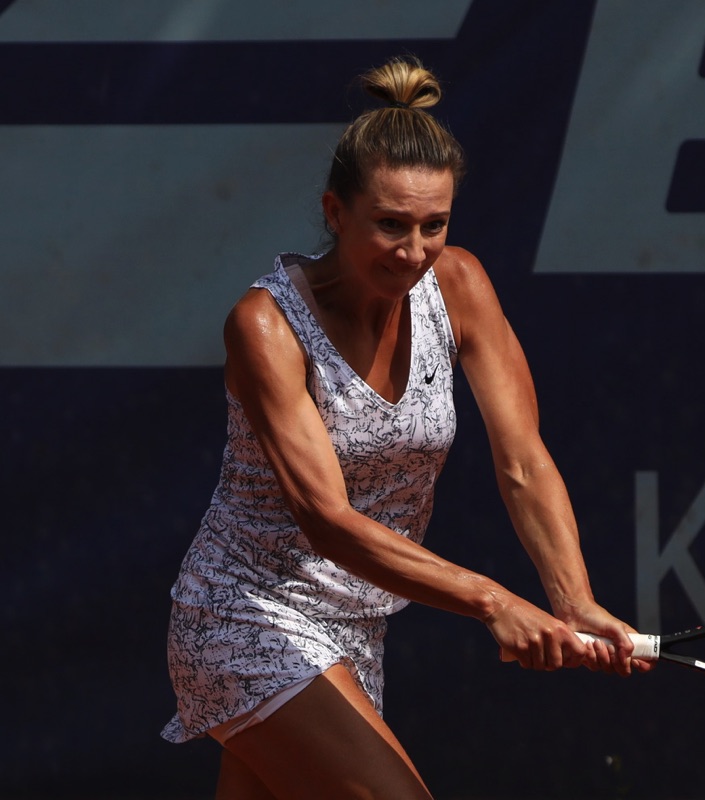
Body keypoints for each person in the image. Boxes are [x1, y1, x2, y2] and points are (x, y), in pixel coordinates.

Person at [162, 56, 645, 799]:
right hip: (245, 614)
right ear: (335, 212)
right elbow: (326, 520)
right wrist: (492, 600)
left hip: (357, 630)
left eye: (433, 226)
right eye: (390, 225)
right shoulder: (265, 327)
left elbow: (523, 461)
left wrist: (572, 598)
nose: (414, 251)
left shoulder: (460, 284)